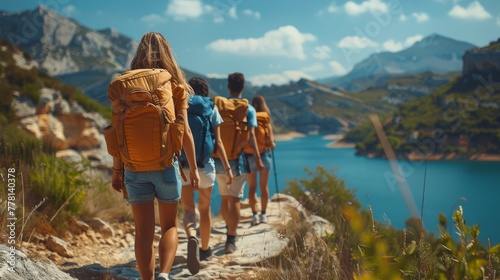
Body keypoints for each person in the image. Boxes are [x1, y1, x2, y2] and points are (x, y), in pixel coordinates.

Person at [110, 32, 200, 280]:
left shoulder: (123, 87)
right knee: (169, 225)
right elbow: (186, 130)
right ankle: (165, 275)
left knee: (143, 231)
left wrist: (117, 170)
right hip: (166, 167)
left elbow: (117, 134)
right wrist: (192, 168)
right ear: (168, 54)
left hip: (133, 169)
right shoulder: (175, 86)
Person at [180, 77, 233, 274]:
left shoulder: (181, 105)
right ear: (206, 90)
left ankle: (191, 235)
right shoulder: (212, 108)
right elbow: (218, 144)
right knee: (205, 210)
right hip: (206, 168)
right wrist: (227, 169)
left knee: (188, 211)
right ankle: (205, 250)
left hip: (184, 167)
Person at [214, 72, 264, 254]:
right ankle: (231, 239)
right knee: (235, 199)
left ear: (228, 87)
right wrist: (257, 159)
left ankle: (229, 229)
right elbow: (251, 137)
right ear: (243, 87)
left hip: (219, 160)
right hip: (238, 161)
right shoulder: (249, 109)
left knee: (225, 199)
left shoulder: (219, 106)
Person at [243, 95, 276, 226]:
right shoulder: (265, 121)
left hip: (249, 156)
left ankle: (254, 215)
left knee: (252, 187)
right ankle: (263, 214)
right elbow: (272, 144)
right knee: (264, 187)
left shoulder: (247, 119)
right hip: (265, 156)